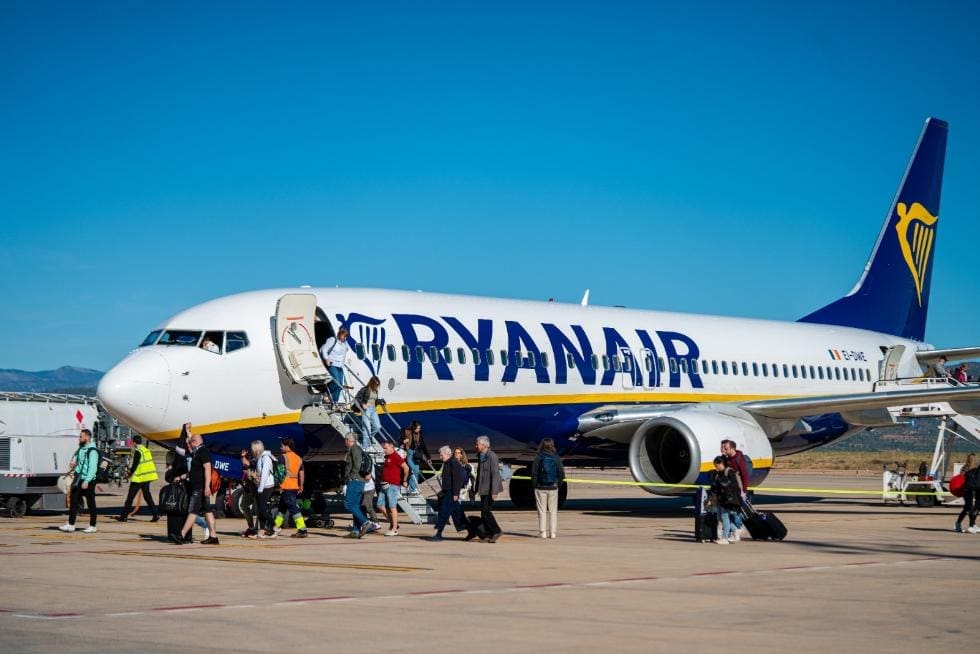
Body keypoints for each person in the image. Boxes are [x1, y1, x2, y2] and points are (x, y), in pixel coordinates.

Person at [177, 432, 219, 545]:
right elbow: (194, 471)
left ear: (196, 442)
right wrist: (182, 477)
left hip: (200, 488)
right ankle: (213, 536)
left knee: (192, 511)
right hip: (198, 486)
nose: (189, 444)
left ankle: (181, 534)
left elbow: (207, 469)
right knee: (208, 511)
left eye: (191, 442)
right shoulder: (197, 452)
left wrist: (206, 487)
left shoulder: (203, 451)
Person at [59, 428, 99, 533]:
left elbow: (92, 468)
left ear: (87, 437)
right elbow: (77, 458)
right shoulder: (81, 449)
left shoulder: (92, 451)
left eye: (81, 436)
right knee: (73, 500)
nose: (79, 438)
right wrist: (73, 463)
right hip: (79, 478)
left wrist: (87, 481)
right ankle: (71, 524)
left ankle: (93, 525)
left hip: (88, 480)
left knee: (91, 503)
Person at [116, 435, 159, 522]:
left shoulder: (138, 451)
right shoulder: (146, 450)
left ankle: (124, 516)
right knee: (147, 496)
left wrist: (129, 474)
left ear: (134, 442)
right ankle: (156, 514)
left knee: (130, 498)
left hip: (139, 478)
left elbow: (135, 465)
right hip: (147, 477)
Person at [272, 438, 308, 538]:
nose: (280, 447)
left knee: (293, 509)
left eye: (282, 446)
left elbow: (273, 466)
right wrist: (301, 486)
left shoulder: (283, 457)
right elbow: (302, 474)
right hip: (294, 487)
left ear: (287, 446)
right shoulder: (298, 458)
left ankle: (302, 529)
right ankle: (276, 526)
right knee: (281, 509)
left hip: (286, 487)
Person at [531, 438, 565, 539]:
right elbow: (561, 473)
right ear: (552, 445)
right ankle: (553, 533)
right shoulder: (556, 458)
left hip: (541, 487)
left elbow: (534, 473)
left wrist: (535, 485)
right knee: (553, 511)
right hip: (553, 487)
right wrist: (558, 484)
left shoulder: (538, 457)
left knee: (542, 511)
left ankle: (543, 533)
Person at [431, 445, 467, 541]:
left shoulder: (453, 463)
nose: (440, 457)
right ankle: (469, 528)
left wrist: (456, 493)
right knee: (457, 513)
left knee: (444, 512)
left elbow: (457, 479)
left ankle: (439, 533)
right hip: (447, 491)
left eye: (441, 455)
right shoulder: (447, 463)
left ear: (447, 454)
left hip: (451, 492)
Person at [475, 435, 504, 543]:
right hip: (483, 489)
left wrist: (494, 491)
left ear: (483, 445)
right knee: (483, 513)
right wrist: (476, 488)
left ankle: (496, 531)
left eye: (477, 444)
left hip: (490, 489)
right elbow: (480, 474)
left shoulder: (492, 456)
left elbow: (495, 475)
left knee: (486, 511)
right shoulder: (480, 456)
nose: (476, 446)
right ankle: (488, 534)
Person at [708, 456, 743, 544]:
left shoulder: (729, 471)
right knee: (720, 517)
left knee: (725, 517)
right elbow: (716, 485)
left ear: (723, 463)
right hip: (721, 498)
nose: (717, 466)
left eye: (718, 464)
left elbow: (733, 486)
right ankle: (735, 530)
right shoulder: (718, 473)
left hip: (728, 499)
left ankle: (725, 538)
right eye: (715, 465)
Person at [343, 433, 372, 538]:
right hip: (359, 481)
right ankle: (355, 530)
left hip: (355, 481)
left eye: (345, 440)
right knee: (355, 506)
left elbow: (357, 464)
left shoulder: (354, 449)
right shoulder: (356, 449)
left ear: (348, 440)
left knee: (349, 504)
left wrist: (351, 476)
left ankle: (365, 522)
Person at [378, 440, 409, 536]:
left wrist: (404, 480)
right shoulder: (387, 457)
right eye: (383, 448)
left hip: (392, 485)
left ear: (391, 447)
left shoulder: (396, 456)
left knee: (392, 507)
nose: (384, 450)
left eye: (385, 448)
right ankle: (393, 523)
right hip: (384, 484)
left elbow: (406, 468)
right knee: (380, 505)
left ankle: (394, 529)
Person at [320, 327, 354, 403]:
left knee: (340, 386)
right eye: (344, 336)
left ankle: (335, 402)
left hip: (340, 366)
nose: (345, 338)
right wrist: (326, 358)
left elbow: (343, 354)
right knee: (337, 382)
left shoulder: (343, 343)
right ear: (340, 334)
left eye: (346, 337)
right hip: (332, 364)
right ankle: (326, 393)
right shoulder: (332, 340)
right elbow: (324, 349)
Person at [253, 440, 277, 538]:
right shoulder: (260, 457)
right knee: (260, 510)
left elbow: (265, 474)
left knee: (262, 509)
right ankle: (261, 531)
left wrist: (260, 488)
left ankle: (276, 525)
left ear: (256, 449)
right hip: (263, 486)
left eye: (252, 449)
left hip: (266, 486)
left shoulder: (265, 458)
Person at [354, 376, 386, 449]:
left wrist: (380, 401)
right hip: (366, 410)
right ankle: (365, 446)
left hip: (373, 410)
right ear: (372, 383)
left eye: (378, 384)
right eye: (376, 384)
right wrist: (362, 404)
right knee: (367, 428)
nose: (377, 386)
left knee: (378, 427)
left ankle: (369, 438)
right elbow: (357, 398)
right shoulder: (365, 389)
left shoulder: (375, 391)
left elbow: (375, 400)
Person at [404, 421, 431, 494]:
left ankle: (413, 488)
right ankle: (410, 487)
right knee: (411, 469)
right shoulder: (406, 433)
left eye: (419, 428)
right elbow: (400, 441)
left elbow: (423, 446)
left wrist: (428, 457)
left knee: (416, 471)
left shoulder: (419, 434)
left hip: (416, 455)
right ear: (413, 427)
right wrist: (403, 442)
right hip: (409, 453)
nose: (419, 429)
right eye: (417, 428)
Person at [238, 446, 260, 538]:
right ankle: (251, 528)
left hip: (257, 488)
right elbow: (246, 466)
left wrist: (243, 457)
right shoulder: (251, 457)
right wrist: (243, 457)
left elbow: (249, 465)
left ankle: (259, 529)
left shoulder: (258, 459)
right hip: (249, 488)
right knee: (243, 505)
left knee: (259, 510)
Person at [955, 453, 978, 533]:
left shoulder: (967, 468)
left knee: (968, 508)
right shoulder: (968, 468)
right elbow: (962, 479)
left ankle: (971, 524)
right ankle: (970, 525)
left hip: (969, 490)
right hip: (967, 490)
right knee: (969, 508)